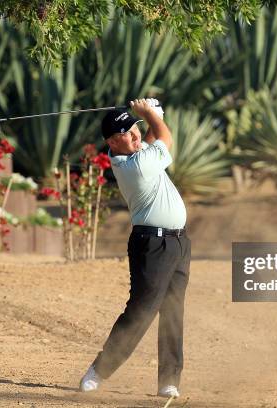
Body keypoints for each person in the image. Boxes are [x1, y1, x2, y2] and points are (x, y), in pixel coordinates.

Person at [79, 98, 190, 398]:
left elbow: (152, 140)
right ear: (114, 141)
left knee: (172, 311)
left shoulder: (137, 154)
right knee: (142, 310)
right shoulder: (135, 167)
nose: (135, 134)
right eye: (128, 132)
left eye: (135, 127)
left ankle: (169, 381)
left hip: (178, 242)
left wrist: (151, 118)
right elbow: (164, 138)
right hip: (152, 244)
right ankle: (98, 371)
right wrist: (152, 114)